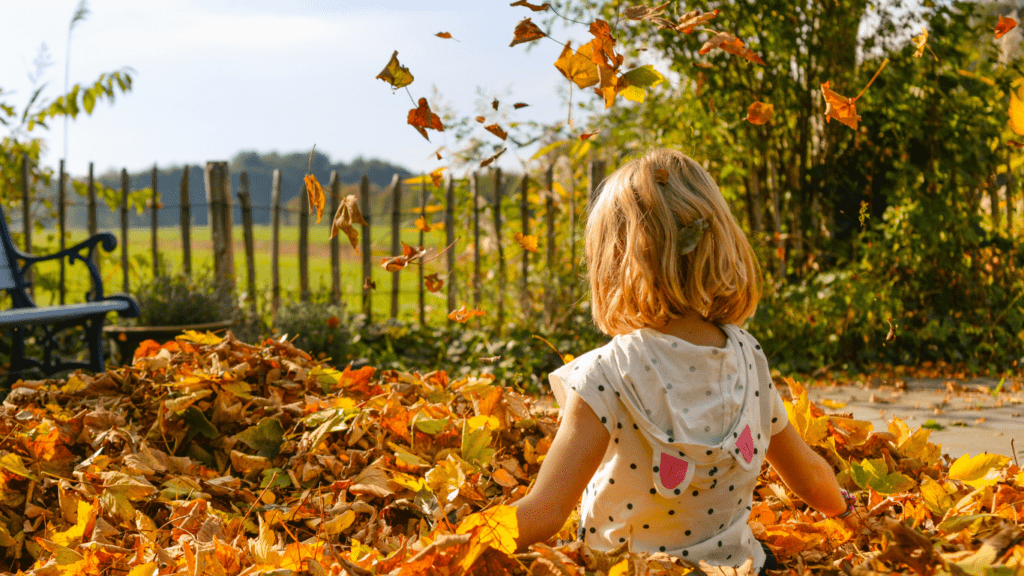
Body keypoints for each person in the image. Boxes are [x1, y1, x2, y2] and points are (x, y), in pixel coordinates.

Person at [512, 148, 857, 575]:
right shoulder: (748, 356)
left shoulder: (606, 374)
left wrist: (455, 544)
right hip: (742, 569)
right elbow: (808, 476)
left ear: (614, 262)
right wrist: (847, 511)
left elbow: (545, 512)